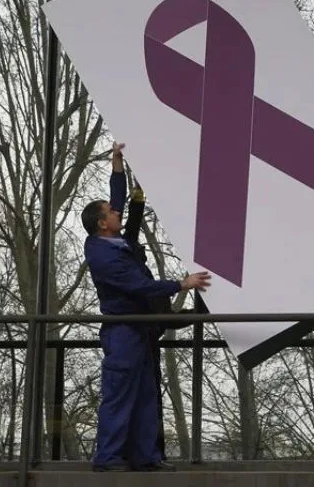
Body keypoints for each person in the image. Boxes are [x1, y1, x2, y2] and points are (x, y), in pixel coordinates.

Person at [82, 142, 211, 472]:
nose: (117, 212)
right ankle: (108, 458)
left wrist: (117, 164)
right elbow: (140, 286)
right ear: (102, 224)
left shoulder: (111, 239)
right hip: (124, 330)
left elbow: (117, 199)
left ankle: (146, 456)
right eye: (111, 213)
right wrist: (181, 284)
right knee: (120, 394)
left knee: (144, 394)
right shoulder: (105, 256)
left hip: (138, 329)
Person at [121, 177, 195, 461]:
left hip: (149, 338)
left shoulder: (144, 276)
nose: (141, 249)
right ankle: (139, 453)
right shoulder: (131, 268)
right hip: (139, 338)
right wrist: (138, 196)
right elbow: (131, 229)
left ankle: (152, 453)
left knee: (150, 398)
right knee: (140, 396)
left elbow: (167, 318)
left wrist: (197, 315)